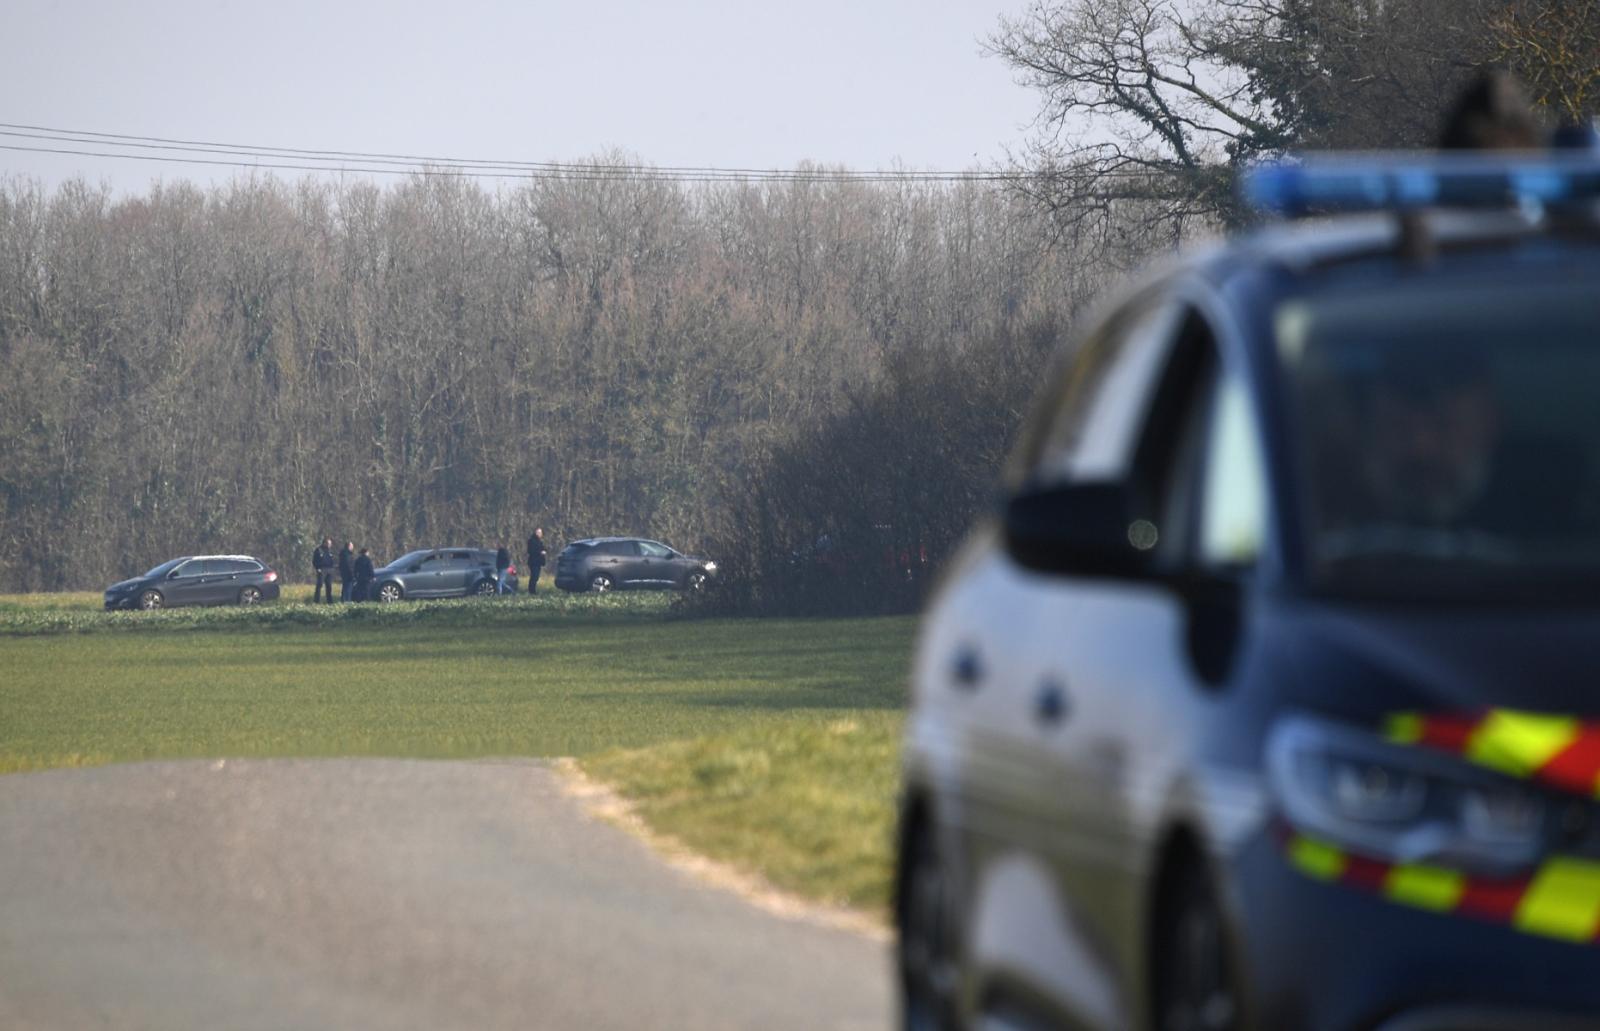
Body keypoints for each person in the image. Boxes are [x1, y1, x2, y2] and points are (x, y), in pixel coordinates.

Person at [311, 537, 335, 604]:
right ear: (324, 543)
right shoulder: (318, 550)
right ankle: (316, 601)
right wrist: (317, 568)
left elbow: (332, 560)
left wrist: (332, 568)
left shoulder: (330, 551)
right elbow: (314, 561)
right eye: (328, 543)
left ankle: (330, 602)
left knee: (329, 586)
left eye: (330, 543)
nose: (330, 545)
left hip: (329, 570)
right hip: (321, 569)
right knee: (319, 585)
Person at [525, 527, 548, 595]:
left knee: (536, 577)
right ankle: (531, 591)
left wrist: (545, 551)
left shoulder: (540, 541)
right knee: (534, 576)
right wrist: (540, 552)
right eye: (539, 532)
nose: (541, 534)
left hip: (538, 562)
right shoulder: (532, 541)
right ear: (536, 533)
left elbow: (543, 548)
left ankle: (532, 590)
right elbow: (530, 551)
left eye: (541, 532)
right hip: (533, 562)